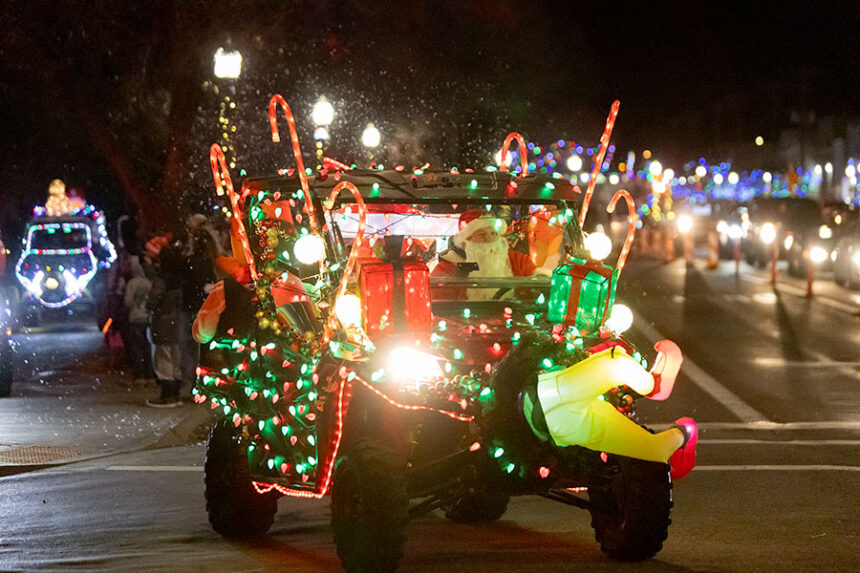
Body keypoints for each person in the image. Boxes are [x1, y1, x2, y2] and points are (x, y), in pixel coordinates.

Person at [432, 210, 535, 300]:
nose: (489, 239)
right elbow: (439, 305)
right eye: (481, 235)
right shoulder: (448, 268)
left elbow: (537, 286)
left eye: (493, 233)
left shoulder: (519, 261)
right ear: (466, 240)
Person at [145, 239, 184, 408]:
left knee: (163, 358)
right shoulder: (180, 279)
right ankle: (176, 391)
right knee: (175, 356)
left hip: (163, 321)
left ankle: (167, 393)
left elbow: (153, 299)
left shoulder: (162, 280)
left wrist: (149, 304)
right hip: (177, 321)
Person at [123, 255, 153, 385]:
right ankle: (150, 374)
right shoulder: (149, 282)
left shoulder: (132, 283)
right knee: (147, 347)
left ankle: (139, 375)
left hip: (135, 318)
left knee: (136, 348)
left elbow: (128, 302)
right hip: (147, 318)